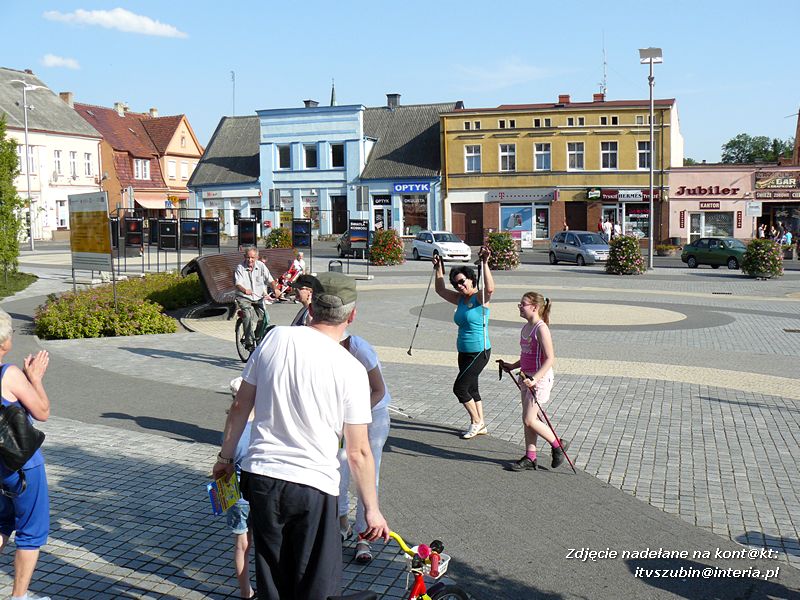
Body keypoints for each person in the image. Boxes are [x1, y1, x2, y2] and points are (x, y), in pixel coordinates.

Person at [213, 272, 390, 600]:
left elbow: (240, 405)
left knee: (272, 579)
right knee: (315, 586)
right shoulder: (351, 369)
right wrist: (371, 509)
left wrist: (225, 458)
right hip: (313, 486)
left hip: (262, 477)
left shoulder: (275, 338)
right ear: (352, 315)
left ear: (311, 307)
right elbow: (358, 452)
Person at [0, 309, 52, 600]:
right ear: (4, 343)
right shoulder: (9, 374)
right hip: (22, 466)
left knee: (1, 523)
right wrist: (35, 379)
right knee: (31, 531)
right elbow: (42, 412)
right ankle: (19, 597)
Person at [497, 293, 569, 472]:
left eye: (523, 304)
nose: (519, 307)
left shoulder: (541, 328)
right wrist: (511, 366)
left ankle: (558, 445)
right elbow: (526, 356)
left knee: (529, 419)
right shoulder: (526, 327)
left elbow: (550, 358)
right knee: (529, 419)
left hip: (539, 379)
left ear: (534, 307)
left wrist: (535, 378)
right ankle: (530, 456)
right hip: (526, 377)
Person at [337, 333, 391, 564]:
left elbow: (379, 390)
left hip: (373, 415)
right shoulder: (321, 346)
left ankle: (364, 537)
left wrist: (354, 415)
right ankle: (342, 525)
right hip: (342, 417)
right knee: (338, 471)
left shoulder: (360, 349)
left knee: (367, 476)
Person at [433, 247, 494, 439]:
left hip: (480, 351)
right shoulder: (460, 299)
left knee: (460, 388)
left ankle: (476, 422)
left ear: (471, 279)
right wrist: (438, 268)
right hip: (464, 351)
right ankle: (481, 424)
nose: (459, 286)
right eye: (455, 283)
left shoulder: (479, 298)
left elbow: (490, 289)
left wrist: (485, 263)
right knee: (472, 388)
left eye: (461, 281)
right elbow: (440, 289)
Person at [224, 376, 255, 600]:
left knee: (241, 545)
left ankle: (246, 591)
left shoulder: (232, 426)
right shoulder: (263, 425)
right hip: (260, 490)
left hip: (235, 492)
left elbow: (228, 458)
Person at [234, 247, 282, 351]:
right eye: (248, 257)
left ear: (257, 257)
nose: (250, 260)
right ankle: (249, 342)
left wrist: (275, 289)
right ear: (244, 257)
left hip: (258, 297)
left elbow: (270, 280)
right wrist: (244, 290)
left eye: (252, 257)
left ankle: (257, 335)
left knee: (265, 318)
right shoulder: (240, 268)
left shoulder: (261, 266)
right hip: (244, 297)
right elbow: (238, 283)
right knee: (248, 315)